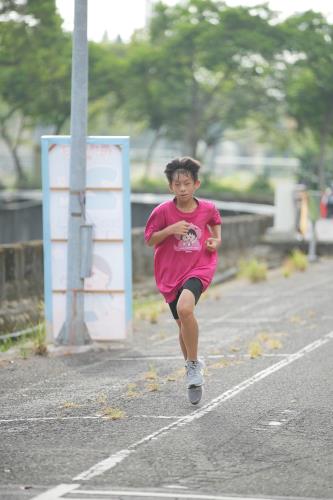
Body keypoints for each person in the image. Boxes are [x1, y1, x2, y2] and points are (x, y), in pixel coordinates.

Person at [144, 157, 222, 404]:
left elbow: (215, 224)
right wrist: (170, 230)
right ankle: (193, 366)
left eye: (187, 183)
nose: (183, 189)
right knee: (182, 325)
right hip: (170, 274)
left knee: (185, 308)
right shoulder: (162, 212)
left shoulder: (207, 208)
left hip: (199, 267)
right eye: (177, 185)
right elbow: (150, 240)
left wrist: (215, 240)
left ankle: (192, 365)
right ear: (171, 187)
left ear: (196, 184)